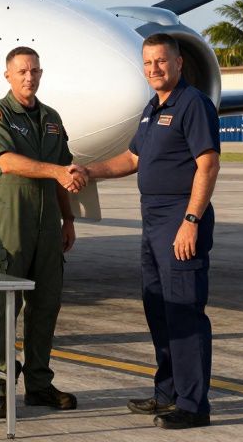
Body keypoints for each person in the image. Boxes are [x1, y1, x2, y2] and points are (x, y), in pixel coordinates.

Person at [71, 33, 219, 430]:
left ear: (178, 63)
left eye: (162, 62)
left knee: (184, 310)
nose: (154, 69)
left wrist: (191, 221)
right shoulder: (152, 108)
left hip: (179, 218)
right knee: (159, 309)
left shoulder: (194, 105)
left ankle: (193, 405)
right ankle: (167, 393)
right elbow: (133, 157)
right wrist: (90, 171)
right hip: (151, 218)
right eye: (148, 63)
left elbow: (207, 165)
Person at [0, 46, 83, 419]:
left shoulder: (51, 119)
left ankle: (39, 384)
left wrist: (68, 219)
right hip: (11, 226)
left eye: (35, 71)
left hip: (48, 227)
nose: (29, 77)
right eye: (22, 71)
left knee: (46, 307)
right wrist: (55, 171)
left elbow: (64, 172)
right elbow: (7, 162)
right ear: (8, 75)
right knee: (2, 308)